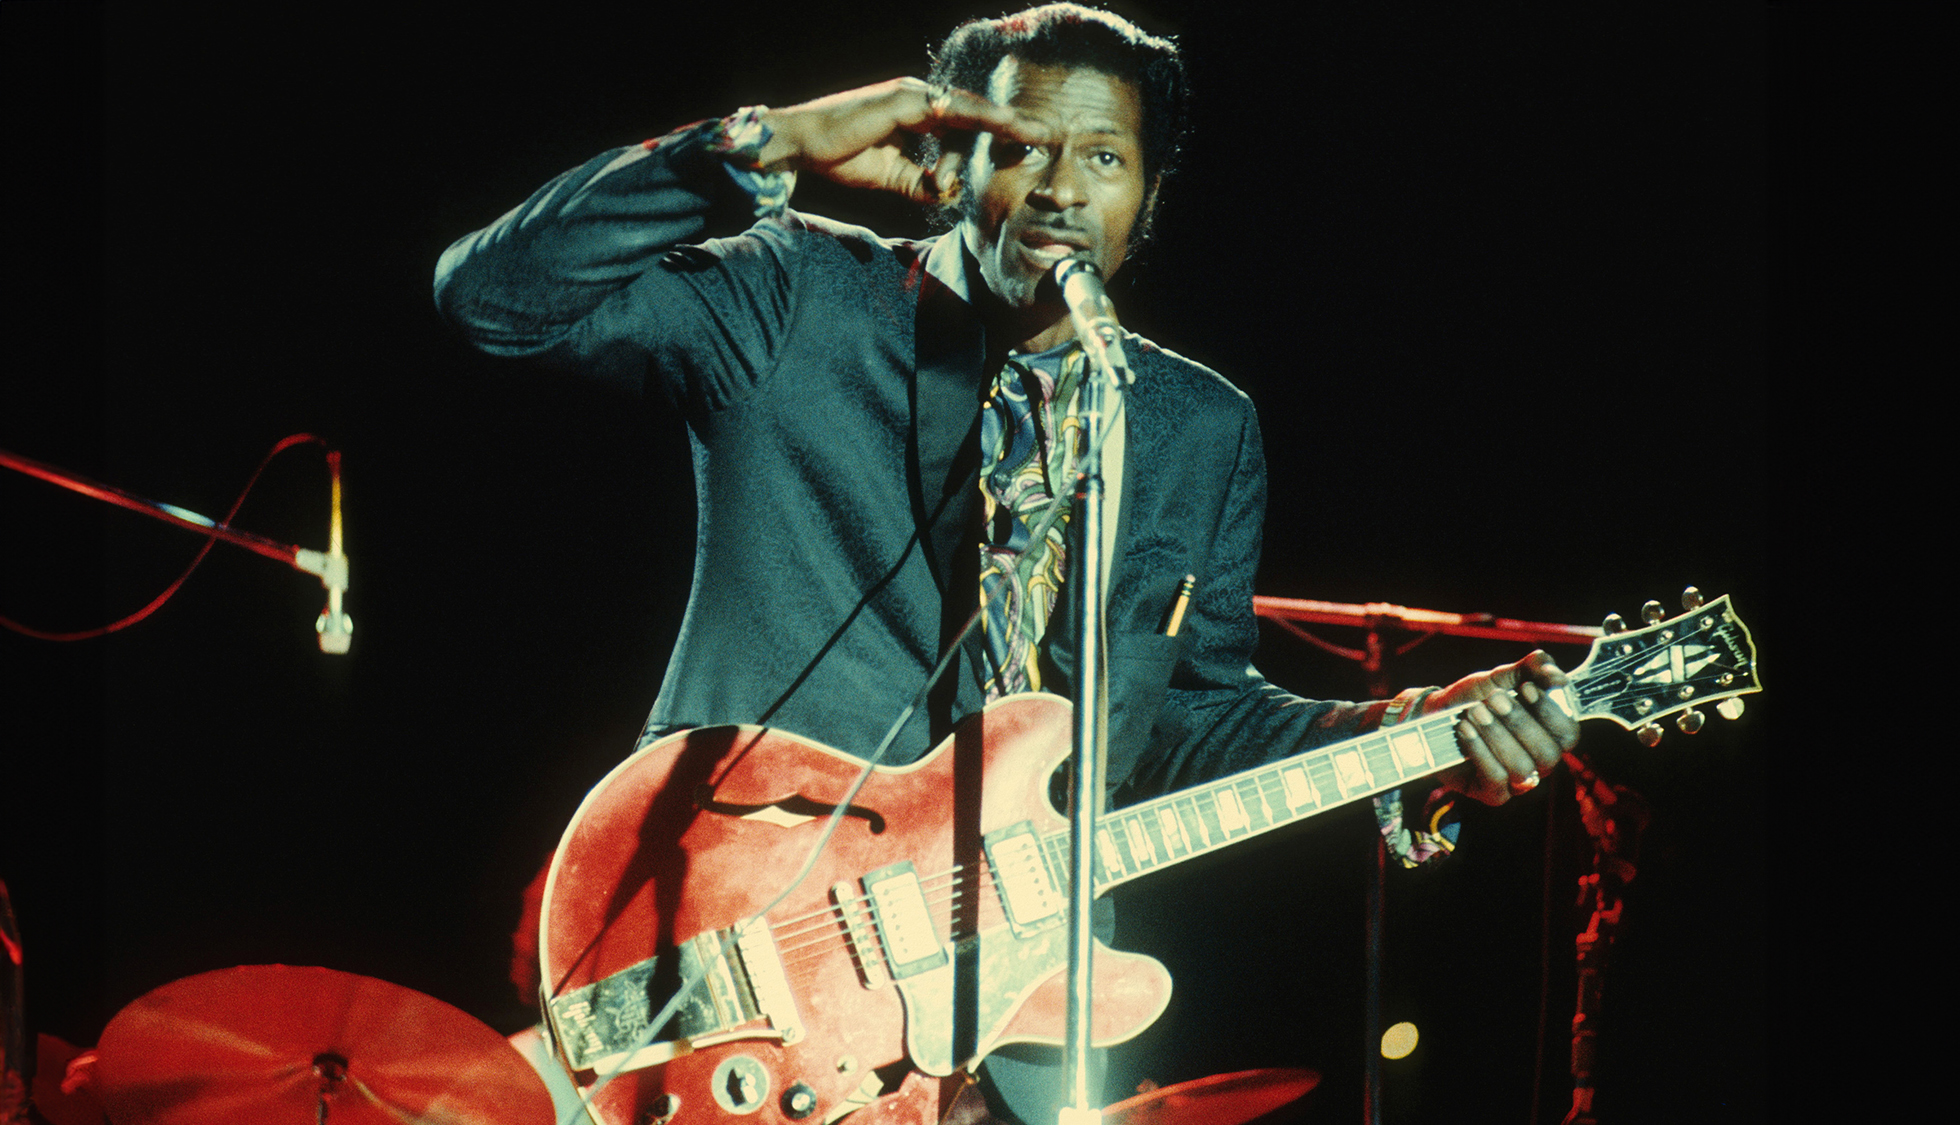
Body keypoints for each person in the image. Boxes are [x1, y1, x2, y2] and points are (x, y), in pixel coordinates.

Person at [435, 5, 1578, 1121]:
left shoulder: (1194, 425)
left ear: (1147, 194)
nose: (1062, 191)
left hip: (1008, 1026)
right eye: (1021, 151)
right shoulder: (798, 293)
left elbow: (1183, 719)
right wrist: (763, 146)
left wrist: (1416, 730)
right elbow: (495, 298)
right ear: (949, 159)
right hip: (750, 935)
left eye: (1103, 157)